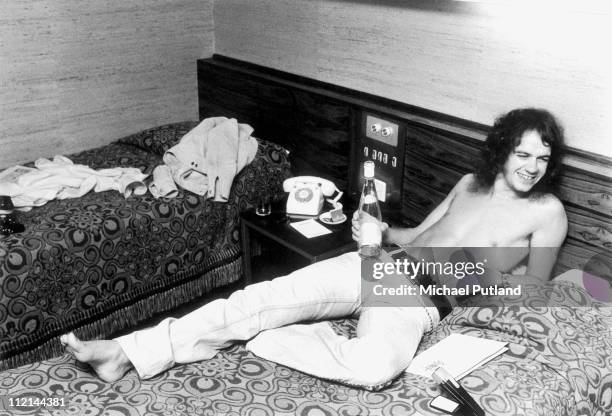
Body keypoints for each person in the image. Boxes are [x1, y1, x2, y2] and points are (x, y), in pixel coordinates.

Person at [61, 108, 567, 390]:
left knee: (374, 369)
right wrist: (377, 229)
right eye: (523, 153)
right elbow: (416, 237)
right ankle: (125, 352)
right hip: (378, 265)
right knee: (256, 298)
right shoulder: (469, 182)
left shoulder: (546, 213)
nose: (532, 165)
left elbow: (536, 289)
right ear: (503, 149)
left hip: (416, 301)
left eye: (542, 157)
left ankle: (271, 335)